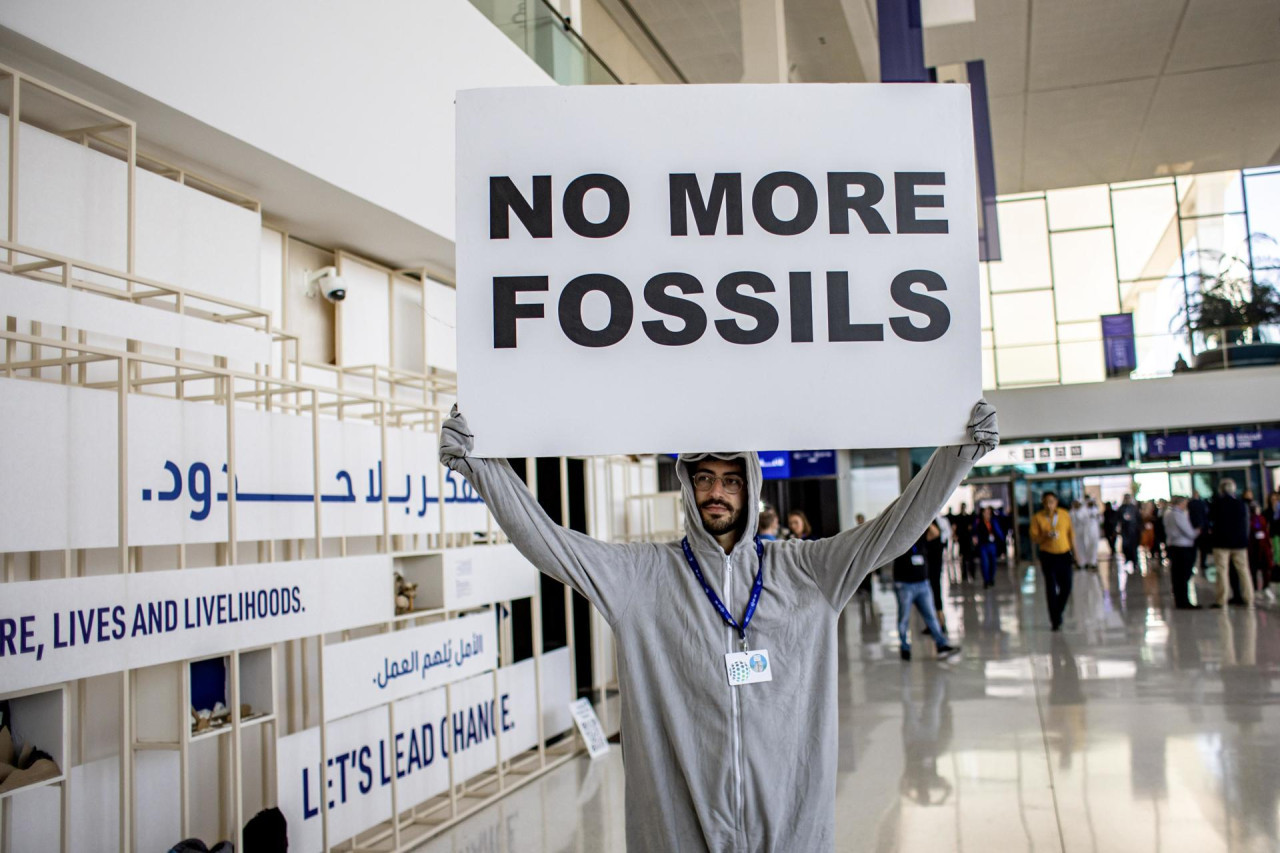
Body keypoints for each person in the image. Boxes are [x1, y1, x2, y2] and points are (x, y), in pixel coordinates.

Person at [438, 401, 999, 852]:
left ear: (750, 489)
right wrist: (481, 469)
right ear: (687, 488)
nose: (716, 492)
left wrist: (957, 457)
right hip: (681, 829)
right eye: (704, 479)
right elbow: (552, 544)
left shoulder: (806, 571)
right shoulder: (645, 577)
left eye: (730, 480)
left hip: (788, 828)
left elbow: (892, 529)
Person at [894, 525, 960, 662]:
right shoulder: (899, 539)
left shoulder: (922, 535)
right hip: (905, 585)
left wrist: (925, 520)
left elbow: (935, 533)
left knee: (931, 616)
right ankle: (904, 647)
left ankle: (941, 645)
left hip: (922, 584)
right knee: (904, 618)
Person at [1031, 491, 1076, 631]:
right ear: (1043, 503)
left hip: (1064, 555)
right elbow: (1034, 537)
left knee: (1066, 586)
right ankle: (1055, 620)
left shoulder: (1064, 514)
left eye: (1051, 501)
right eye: (1046, 502)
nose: (1049, 505)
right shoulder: (1038, 517)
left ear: (1056, 502)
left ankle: (1058, 611)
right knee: (1050, 588)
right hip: (1048, 555)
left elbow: (1071, 535)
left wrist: (1076, 553)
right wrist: (1045, 535)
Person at [1210, 479, 1252, 608]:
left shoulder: (1217, 504)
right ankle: (1249, 598)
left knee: (1222, 571)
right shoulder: (1241, 504)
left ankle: (1221, 600)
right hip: (1240, 542)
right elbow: (1246, 523)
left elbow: (1212, 521)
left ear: (1221, 490)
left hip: (1221, 543)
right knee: (1243, 570)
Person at [1162, 496, 1199, 609]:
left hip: (1173, 545)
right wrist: (1196, 533)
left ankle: (1180, 599)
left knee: (1177, 574)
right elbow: (1187, 530)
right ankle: (1183, 601)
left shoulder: (1167, 513)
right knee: (1183, 574)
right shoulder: (1177, 514)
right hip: (1182, 546)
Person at [924, 516, 948, 633]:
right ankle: (932, 624)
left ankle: (941, 623)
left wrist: (926, 520)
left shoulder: (935, 534)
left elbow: (935, 533)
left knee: (936, 596)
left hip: (934, 571)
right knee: (929, 599)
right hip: (927, 571)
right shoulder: (927, 536)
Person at [973, 505, 1003, 588]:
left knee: (993, 562)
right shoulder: (979, 522)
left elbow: (999, 532)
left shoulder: (993, 522)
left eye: (988, 513)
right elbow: (974, 531)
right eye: (985, 512)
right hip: (983, 545)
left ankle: (991, 578)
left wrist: (1001, 541)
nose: (987, 514)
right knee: (984, 563)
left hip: (992, 544)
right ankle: (986, 580)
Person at [1248, 501, 1272, 600]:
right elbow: (1256, 529)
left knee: (1265, 568)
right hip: (1254, 547)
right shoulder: (1251, 520)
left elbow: (1265, 532)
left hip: (1263, 547)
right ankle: (1254, 587)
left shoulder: (1261, 519)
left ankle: (1265, 586)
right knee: (1253, 569)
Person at [1070, 497, 1101, 570]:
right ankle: (1081, 562)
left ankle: (1092, 562)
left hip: (1090, 532)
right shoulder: (1072, 512)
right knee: (1079, 548)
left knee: (1091, 547)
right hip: (1078, 533)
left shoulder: (1092, 510)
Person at [1117, 494, 1141, 571]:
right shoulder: (1121, 508)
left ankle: (1135, 561)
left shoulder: (1134, 508)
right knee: (1126, 546)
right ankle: (1127, 558)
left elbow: (1138, 518)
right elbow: (1118, 518)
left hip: (1133, 530)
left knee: (1134, 547)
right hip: (1125, 530)